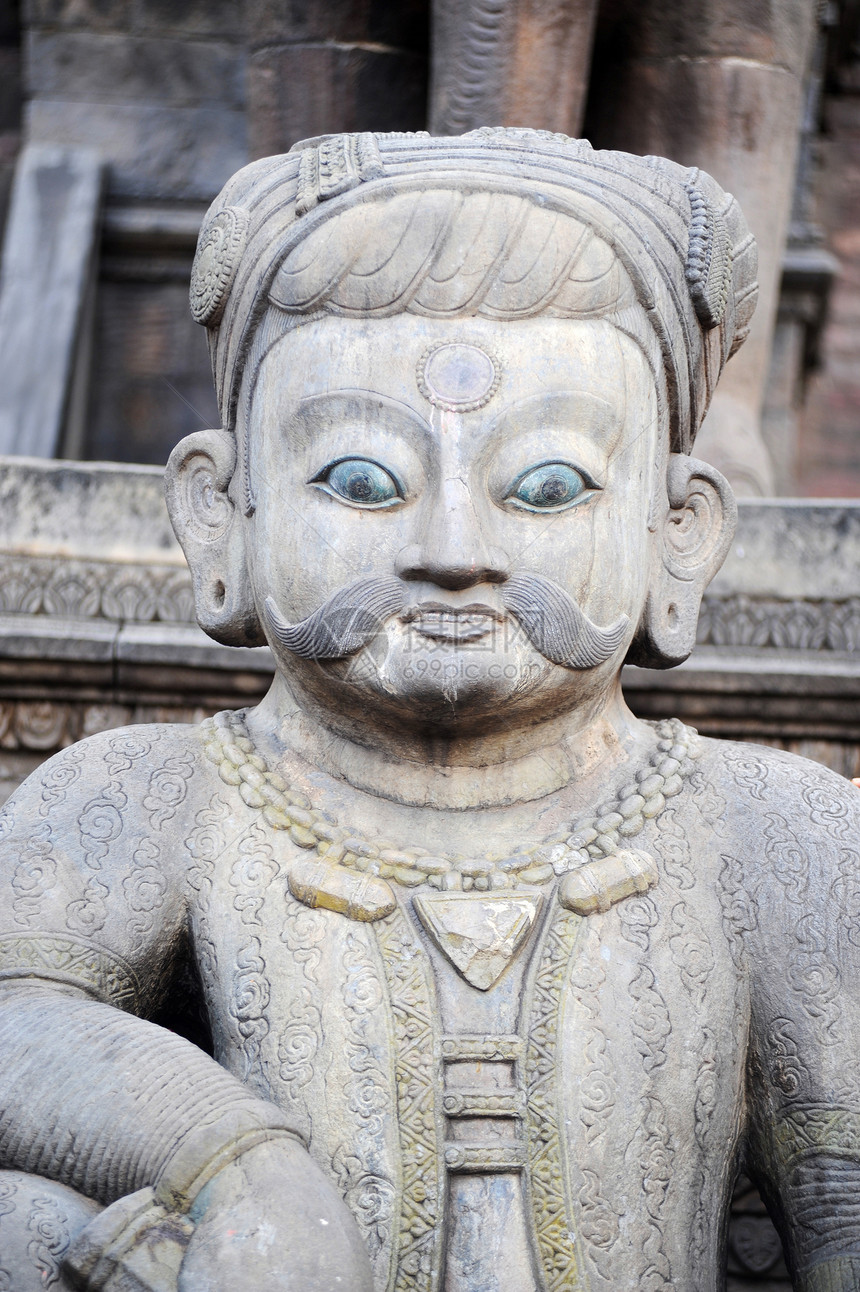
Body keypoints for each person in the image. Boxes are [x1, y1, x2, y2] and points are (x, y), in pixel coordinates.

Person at [0, 128, 857, 1291]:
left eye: (545, 486)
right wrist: (240, 1171)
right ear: (223, 514)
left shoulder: (775, 834)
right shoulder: (147, 797)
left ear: (677, 533)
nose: (454, 549)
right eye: (360, 480)